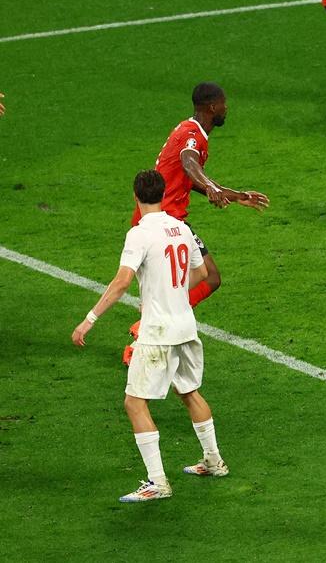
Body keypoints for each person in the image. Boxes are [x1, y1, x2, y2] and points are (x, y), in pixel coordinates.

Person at [73, 169, 228, 502]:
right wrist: (170, 291)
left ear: (136, 196)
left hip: (157, 332)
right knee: (189, 391)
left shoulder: (139, 234)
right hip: (186, 326)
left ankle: (157, 481)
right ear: (163, 193)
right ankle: (214, 461)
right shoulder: (182, 228)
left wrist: (89, 319)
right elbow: (201, 273)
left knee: (134, 402)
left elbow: (122, 282)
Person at [124, 83, 269, 363]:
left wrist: (236, 195)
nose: (227, 108)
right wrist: (212, 187)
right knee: (204, 278)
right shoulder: (192, 136)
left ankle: (153, 324)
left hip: (162, 218)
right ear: (212, 107)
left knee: (202, 278)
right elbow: (189, 164)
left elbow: (190, 177)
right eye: (224, 103)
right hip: (163, 221)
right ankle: (145, 335)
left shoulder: (190, 130)